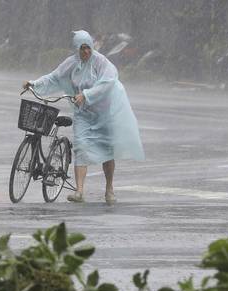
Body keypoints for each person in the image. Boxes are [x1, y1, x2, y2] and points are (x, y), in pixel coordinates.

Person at [23, 30, 144, 204]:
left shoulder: (101, 62)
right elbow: (54, 77)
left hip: (104, 113)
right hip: (83, 113)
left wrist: (87, 95)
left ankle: (109, 188)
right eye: (82, 48)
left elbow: (108, 82)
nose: (85, 52)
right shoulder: (71, 63)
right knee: (81, 147)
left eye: (88, 48)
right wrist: (34, 83)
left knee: (107, 151)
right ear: (76, 49)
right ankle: (79, 191)